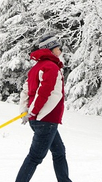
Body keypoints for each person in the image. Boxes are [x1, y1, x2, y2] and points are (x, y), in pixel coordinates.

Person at [15, 33, 73, 182]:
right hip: (45, 120)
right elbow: (44, 92)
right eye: (58, 48)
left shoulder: (36, 68)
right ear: (51, 49)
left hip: (40, 119)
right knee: (35, 157)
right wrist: (32, 111)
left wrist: (25, 111)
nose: (60, 51)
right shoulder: (51, 67)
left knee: (59, 152)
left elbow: (25, 91)